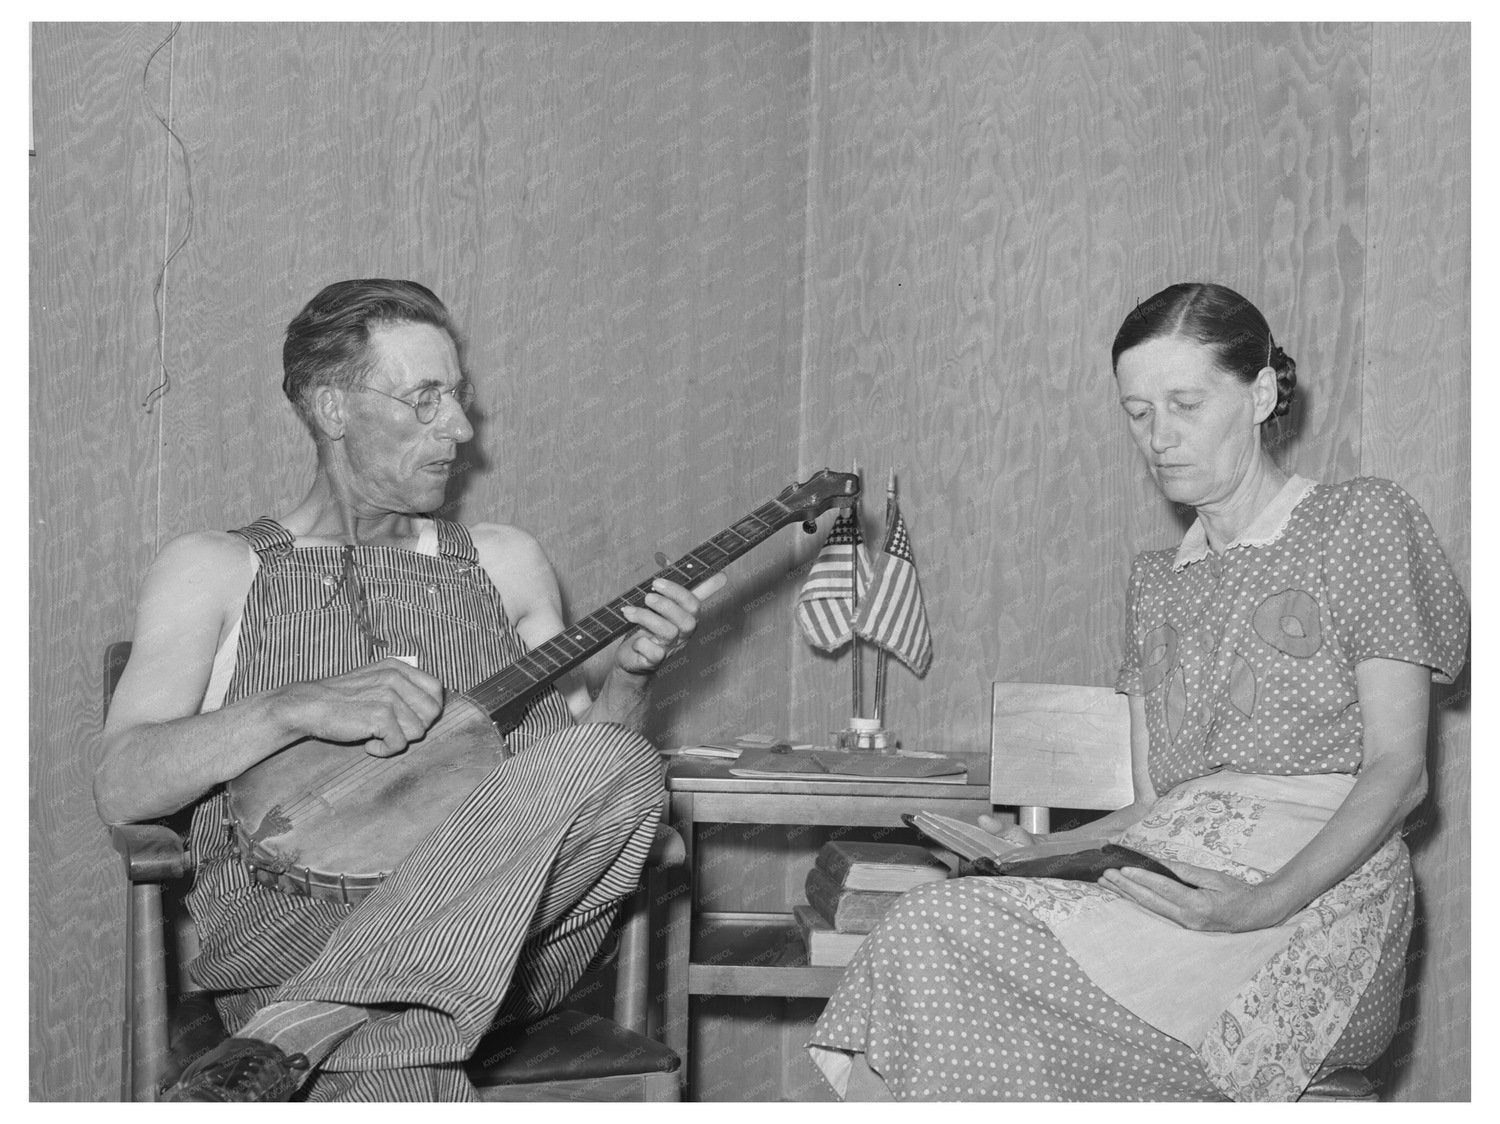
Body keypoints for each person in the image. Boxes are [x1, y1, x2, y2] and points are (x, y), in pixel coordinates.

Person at [806, 282, 1468, 1101]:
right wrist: (1032, 853)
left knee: (936, 933)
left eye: (1186, 403)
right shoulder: (1158, 583)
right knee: (928, 931)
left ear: (1260, 393)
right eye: (1138, 412)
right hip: (1170, 885)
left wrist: (1261, 903)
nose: (1159, 437)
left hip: (1312, 902)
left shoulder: (1360, 520)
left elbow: (1400, 774)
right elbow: (1156, 806)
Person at [95, 278, 725, 1101]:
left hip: (508, 947)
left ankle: (309, 1027)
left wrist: (635, 676)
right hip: (292, 938)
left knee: (620, 759)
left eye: (457, 400)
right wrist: (289, 705)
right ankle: (369, 1036)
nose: (460, 430)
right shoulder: (215, 569)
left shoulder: (505, 560)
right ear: (331, 408)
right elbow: (121, 787)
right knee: (405, 1081)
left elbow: (579, 782)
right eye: (424, 400)